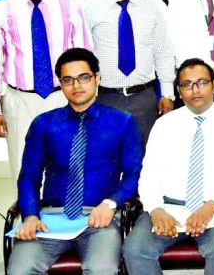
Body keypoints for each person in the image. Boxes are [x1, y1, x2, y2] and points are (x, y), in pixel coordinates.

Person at [7, 48, 142, 275]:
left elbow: (135, 174)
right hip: (50, 219)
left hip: (100, 218)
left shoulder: (122, 122)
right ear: (60, 83)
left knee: (102, 269)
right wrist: (30, 215)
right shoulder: (44, 124)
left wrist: (111, 204)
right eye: (68, 80)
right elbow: (29, 175)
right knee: (19, 269)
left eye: (84, 78)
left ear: (97, 78)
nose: (76, 86)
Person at [123, 58, 214, 275]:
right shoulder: (164, 124)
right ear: (178, 90)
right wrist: (155, 209)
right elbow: (149, 174)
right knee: (135, 249)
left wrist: (211, 205)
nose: (195, 90)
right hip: (168, 207)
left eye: (202, 82)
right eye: (187, 85)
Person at [0, 0, 92, 187]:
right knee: (25, 169)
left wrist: (86, 101)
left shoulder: (70, 7)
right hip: (20, 100)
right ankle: (29, 219)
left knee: (69, 167)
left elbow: (86, 56)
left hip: (64, 99)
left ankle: (68, 222)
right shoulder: (1, 10)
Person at [84, 0, 175, 146]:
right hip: (105, 99)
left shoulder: (150, 8)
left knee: (145, 162)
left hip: (145, 99)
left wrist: (167, 93)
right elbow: (83, 58)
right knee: (107, 162)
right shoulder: (89, 10)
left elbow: (163, 52)